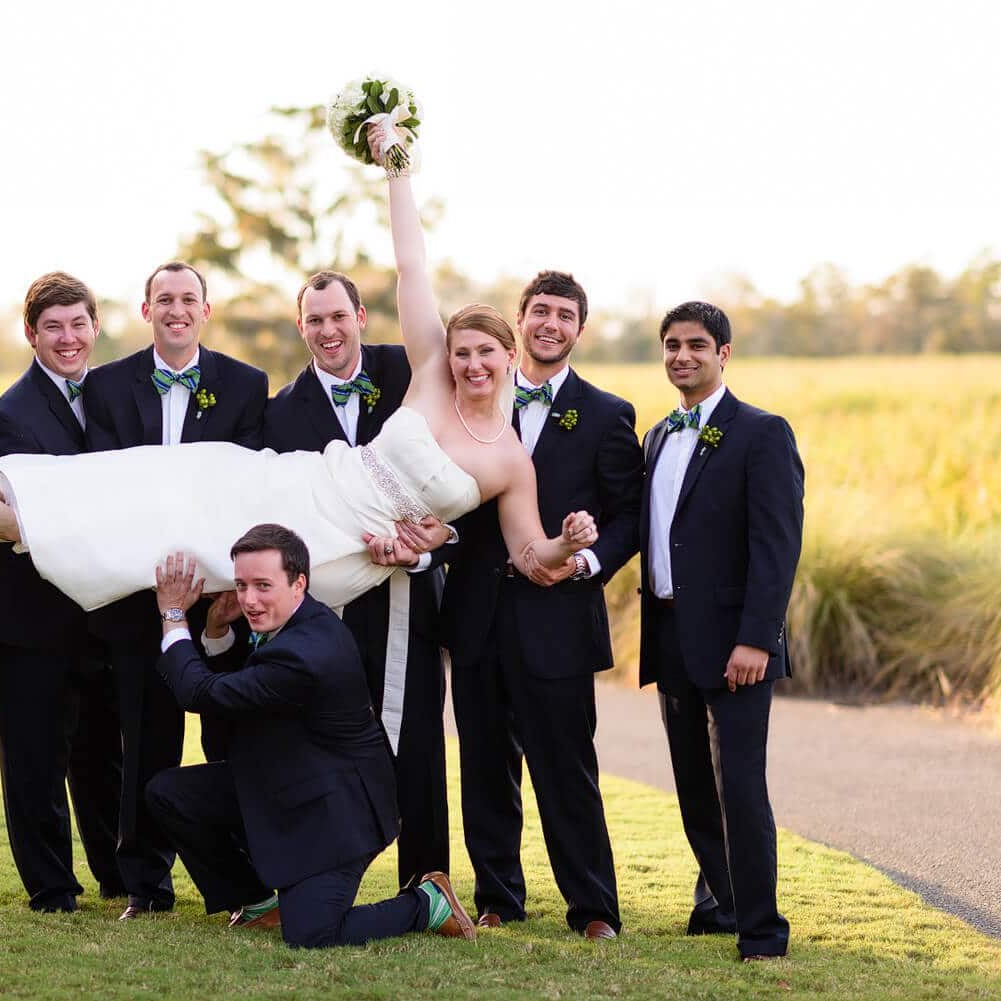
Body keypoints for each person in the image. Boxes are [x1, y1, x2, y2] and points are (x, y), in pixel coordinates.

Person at [0, 134, 598, 614]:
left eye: (486, 354)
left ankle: (14, 521)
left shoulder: (512, 463)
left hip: (336, 546)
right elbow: (411, 266)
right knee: (166, 475)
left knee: (185, 540)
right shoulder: (430, 374)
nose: (472, 364)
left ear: (509, 356)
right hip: (304, 482)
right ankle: (3, 502)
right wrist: (396, 167)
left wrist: (566, 544)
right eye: (463, 352)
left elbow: (529, 558)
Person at [144, 524, 476, 947]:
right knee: (169, 792)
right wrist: (213, 630)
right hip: (284, 782)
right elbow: (240, 693)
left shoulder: (307, 651)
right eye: (241, 584)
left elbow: (202, 694)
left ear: (299, 582)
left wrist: (173, 615)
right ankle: (257, 903)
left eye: (263, 585)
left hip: (337, 812)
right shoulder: (292, 620)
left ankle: (427, 903)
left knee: (311, 934)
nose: (248, 599)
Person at [441, 270, 643, 940]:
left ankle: (592, 908)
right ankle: (498, 895)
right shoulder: (471, 400)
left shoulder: (608, 414)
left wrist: (584, 560)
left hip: (556, 620)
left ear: (579, 329)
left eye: (564, 314)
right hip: (475, 614)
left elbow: (628, 517)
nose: (550, 323)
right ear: (519, 319)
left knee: (566, 769)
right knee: (483, 768)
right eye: (539, 311)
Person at [84, 261, 268, 920]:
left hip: (221, 600)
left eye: (188, 298)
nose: (177, 309)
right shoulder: (105, 387)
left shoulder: (246, 386)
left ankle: (248, 881)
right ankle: (146, 885)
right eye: (165, 299)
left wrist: (216, 587)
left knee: (230, 740)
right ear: (146, 310)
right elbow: (109, 486)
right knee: (147, 743)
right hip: (141, 596)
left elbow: (243, 488)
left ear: (205, 310)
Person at [263, 269, 452, 889]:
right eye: (314, 320)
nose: (327, 330)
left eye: (337, 316)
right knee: (320, 744)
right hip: (326, 607)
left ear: (361, 316)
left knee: (419, 744)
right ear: (301, 327)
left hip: (409, 598)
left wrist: (427, 550)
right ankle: (312, 882)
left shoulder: (411, 377)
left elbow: (458, 483)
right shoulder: (280, 414)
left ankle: (428, 886)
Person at [638, 300, 804, 962]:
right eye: (672, 345)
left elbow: (777, 545)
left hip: (737, 643)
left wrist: (757, 637)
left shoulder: (761, 432)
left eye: (696, 345)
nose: (682, 355)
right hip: (671, 634)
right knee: (693, 787)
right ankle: (722, 905)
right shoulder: (656, 435)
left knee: (739, 785)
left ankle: (762, 932)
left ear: (723, 353)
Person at [0, 271, 125, 911]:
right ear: (31, 334)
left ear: (95, 326)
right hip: (30, 618)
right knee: (34, 759)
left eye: (78, 324)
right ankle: (51, 886)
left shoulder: (118, 398)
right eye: (53, 327)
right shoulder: (9, 418)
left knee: (103, 758)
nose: (68, 338)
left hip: (106, 615)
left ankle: (119, 875)